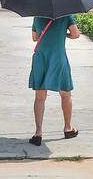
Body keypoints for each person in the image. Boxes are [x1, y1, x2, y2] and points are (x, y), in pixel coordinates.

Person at [28, 14, 80, 145]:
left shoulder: (37, 16)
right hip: (58, 58)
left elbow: (34, 38)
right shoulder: (66, 16)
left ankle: (38, 133)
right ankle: (68, 128)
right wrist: (64, 34)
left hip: (41, 58)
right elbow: (75, 34)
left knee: (40, 97)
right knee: (65, 94)